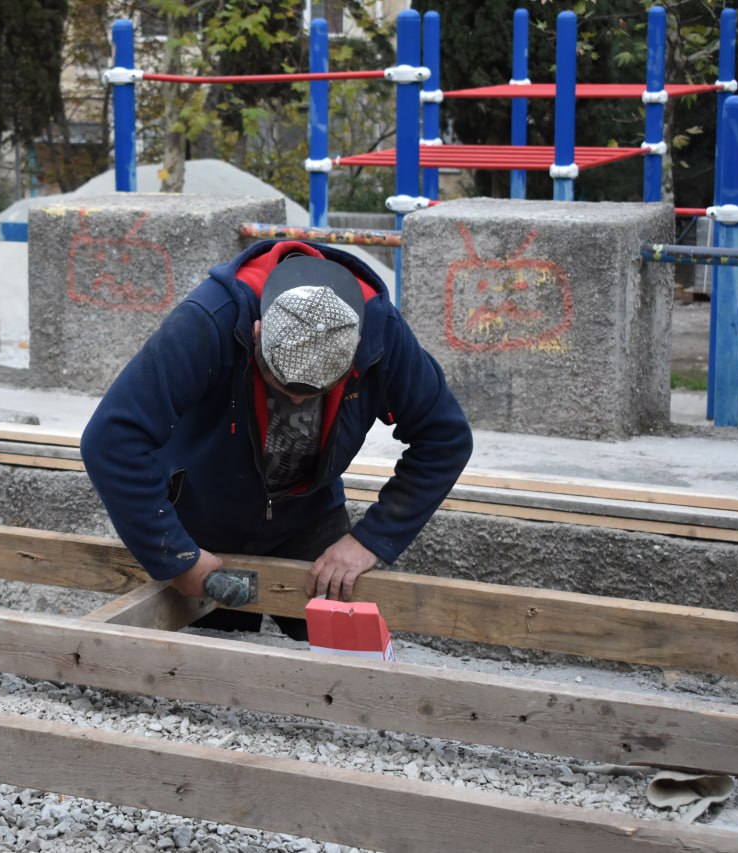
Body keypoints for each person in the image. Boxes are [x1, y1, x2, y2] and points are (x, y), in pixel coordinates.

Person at [80, 239, 472, 640]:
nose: (298, 400)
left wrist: (370, 540)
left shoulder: (380, 333)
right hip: (203, 523)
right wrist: (177, 558)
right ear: (257, 332)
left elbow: (445, 438)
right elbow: (111, 439)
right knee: (210, 662)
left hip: (308, 520)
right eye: (279, 385)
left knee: (348, 653)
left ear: (354, 355)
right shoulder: (211, 319)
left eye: (313, 393)